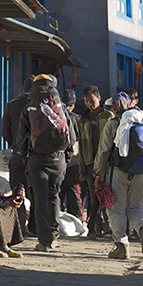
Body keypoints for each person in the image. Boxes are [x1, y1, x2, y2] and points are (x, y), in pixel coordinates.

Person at [17, 74, 76, 252]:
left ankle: (44, 241)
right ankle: (54, 236)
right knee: (54, 196)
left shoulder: (29, 106)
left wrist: (26, 158)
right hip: (58, 159)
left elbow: (21, 138)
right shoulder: (60, 106)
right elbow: (71, 137)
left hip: (37, 159)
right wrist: (65, 158)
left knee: (41, 198)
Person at [93, 92, 143, 259]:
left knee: (116, 208)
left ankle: (121, 247)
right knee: (136, 206)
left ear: (115, 107)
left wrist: (98, 174)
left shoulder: (113, 124)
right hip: (141, 171)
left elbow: (104, 151)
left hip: (119, 171)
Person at [1, 74, 35, 236]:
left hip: (18, 154)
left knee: (18, 189)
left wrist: (15, 144)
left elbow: (5, 132)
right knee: (36, 190)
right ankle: (36, 225)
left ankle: (21, 225)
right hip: (37, 157)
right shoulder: (41, 105)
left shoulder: (11, 105)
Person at [78, 85, 112, 239]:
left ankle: (109, 226)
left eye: (91, 100)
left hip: (108, 162)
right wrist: (81, 169)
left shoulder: (108, 116)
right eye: (86, 101)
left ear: (99, 98)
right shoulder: (83, 120)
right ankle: (94, 228)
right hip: (90, 163)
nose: (89, 104)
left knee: (109, 195)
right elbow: (81, 146)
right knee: (94, 197)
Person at [59, 89, 84, 220]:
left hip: (57, 161)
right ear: (73, 104)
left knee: (58, 192)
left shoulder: (56, 116)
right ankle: (78, 219)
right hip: (73, 161)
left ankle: (57, 218)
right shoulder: (75, 118)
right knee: (74, 190)